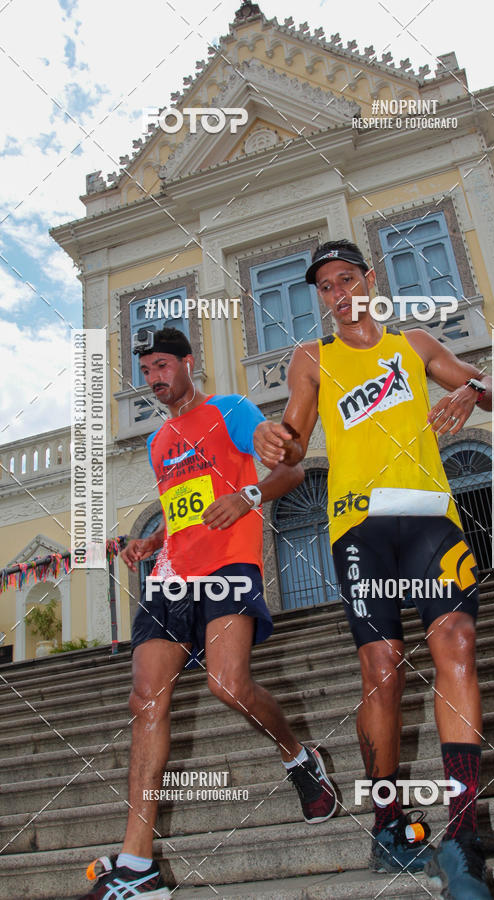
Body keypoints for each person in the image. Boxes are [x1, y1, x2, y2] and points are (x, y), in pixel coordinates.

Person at [253, 241, 494, 899]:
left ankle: (465, 833)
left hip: (429, 516)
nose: (337, 293)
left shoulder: (414, 344)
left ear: (369, 280)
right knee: (382, 670)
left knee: (459, 645)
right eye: (325, 287)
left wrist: (470, 390)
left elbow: (492, 384)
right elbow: (294, 441)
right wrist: (272, 441)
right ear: (322, 298)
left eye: (345, 279)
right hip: (358, 524)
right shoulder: (314, 359)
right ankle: (389, 819)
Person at [80, 326, 337, 900]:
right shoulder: (158, 441)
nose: (155, 378)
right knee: (145, 698)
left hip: (229, 565)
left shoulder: (232, 410)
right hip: (174, 573)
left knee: (228, 684)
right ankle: (137, 866)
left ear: (188, 363)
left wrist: (246, 497)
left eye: (163, 366)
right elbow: (181, 511)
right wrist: (151, 544)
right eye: (146, 371)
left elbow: (292, 470)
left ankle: (300, 757)